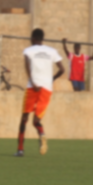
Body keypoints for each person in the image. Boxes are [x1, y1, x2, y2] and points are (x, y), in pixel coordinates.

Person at [15, 29, 64, 157]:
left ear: (33, 38)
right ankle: (41, 134)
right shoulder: (52, 51)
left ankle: (20, 150)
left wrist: (33, 82)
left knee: (24, 119)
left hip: (32, 87)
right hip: (46, 89)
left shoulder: (28, 50)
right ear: (42, 38)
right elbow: (62, 69)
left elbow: (27, 66)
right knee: (36, 121)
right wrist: (51, 79)